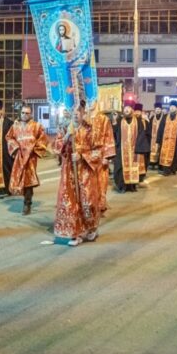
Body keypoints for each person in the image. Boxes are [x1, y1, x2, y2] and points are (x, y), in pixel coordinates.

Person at [53, 101, 103, 246]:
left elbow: (98, 151)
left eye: (78, 111)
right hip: (69, 171)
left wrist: (83, 156)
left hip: (85, 171)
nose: (75, 114)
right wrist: (67, 136)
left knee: (87, 200)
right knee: (70, 201)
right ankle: (75, 233)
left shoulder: (90, 129)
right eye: (72, 111)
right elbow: (57, 148)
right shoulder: (64, 129)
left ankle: (91, 228)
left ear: (83, 113)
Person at [6, 104, 49, 215]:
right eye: (23, 113)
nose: (25, 115)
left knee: (28, 181)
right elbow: (9, 137)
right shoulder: (15, 126)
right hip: (19, 157)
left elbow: (43, 139)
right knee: (21, 179)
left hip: (30, 158)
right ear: (20, 113)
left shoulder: (37, 126)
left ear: (31, 114)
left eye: (27, 113)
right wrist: (15, 149)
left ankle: (27, 204)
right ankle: (24, 198)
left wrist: (34, 151)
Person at [112, 102, 149, 192]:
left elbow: (141, 134)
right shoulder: (120, 120)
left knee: (133, 168)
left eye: (128, 108)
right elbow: (115, 133)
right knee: (120, 168)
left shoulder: (137, 121)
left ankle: (131, 186)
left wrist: (139, 147)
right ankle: (122, 186)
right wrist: (114, 122)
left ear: (132, 110)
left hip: (134, 150)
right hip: (121, 150)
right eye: (125, 109)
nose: (126, 110)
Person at [89, 103, 115, 213]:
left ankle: (100, 205)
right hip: (86, 156)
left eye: (92, 102)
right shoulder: (84, 118)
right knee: (88, 182)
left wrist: (107, 156)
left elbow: (108, 137)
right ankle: (89, 205)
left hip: (100, 154)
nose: (90, 104)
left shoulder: (104, 119)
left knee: (101, 181)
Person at [156, 100, 177, 176]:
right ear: (169, 108)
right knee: (164, 155)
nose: (172, 108)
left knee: (175, 156)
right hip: (165, 141)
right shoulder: (165, 117)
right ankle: (166, 170)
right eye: (171, 107)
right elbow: (160, 129)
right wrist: (158, 140)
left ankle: (173, 169)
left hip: (175, 142)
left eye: (174, 107)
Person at [148, 103, 165, 169]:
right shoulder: (152, 118)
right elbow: (149, 127)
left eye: (159, 109)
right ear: (155, 110)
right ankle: (152, 163)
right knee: (152, 151)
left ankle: (159, 164)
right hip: (153, 138)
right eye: (156, 109)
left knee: (160, 150)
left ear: (161, 110)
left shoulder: (164, 117)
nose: (157, 110)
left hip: (161, 137)